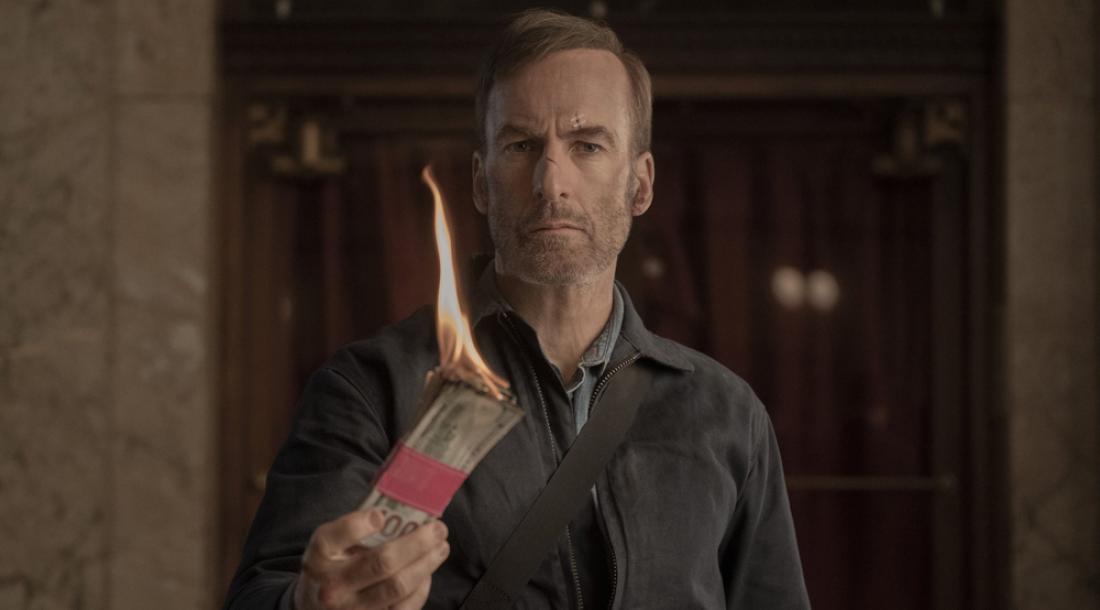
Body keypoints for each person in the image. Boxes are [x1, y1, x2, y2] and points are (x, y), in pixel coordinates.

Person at [224, 9, 810, 610]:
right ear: (481, 182)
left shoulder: (726, 414)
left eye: (587, 145)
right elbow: (261, 595)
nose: (550, 183)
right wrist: (308, 602)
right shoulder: (372, 389)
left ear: (640, 184)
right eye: (521, 145)